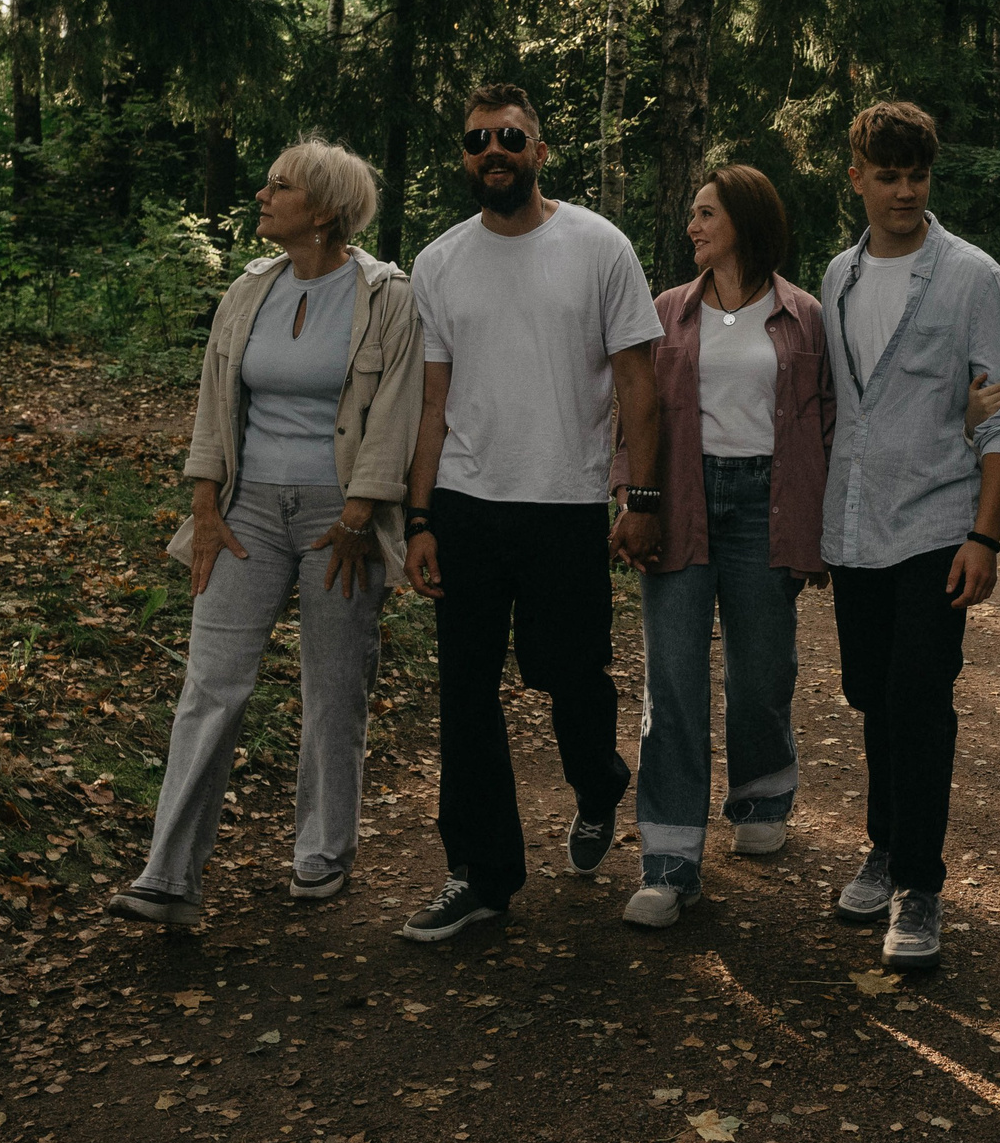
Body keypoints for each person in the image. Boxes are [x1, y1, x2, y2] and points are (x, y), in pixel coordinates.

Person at [110, 139, 418, 926]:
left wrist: (362, 511)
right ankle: (169, 875)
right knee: (211, 682)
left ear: (324, 210)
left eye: (280, 186)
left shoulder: (386, 295)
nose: (262, 194)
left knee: (335, 686)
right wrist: (204, 503)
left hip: (339, 518)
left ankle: (323, 854)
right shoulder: (249, 289)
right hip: (245, 510)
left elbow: (397, 412)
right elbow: (215, 400)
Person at [397, 84, 665, 942]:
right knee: (466, 691)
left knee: (568, 672)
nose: (493, 150)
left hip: (564, 504)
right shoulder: (439, 261)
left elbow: (639, 385)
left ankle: (598, 781)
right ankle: (481, 873)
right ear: (465, 155)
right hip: (466, 505)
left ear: (540, 151)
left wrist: (642, 496)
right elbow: (432, 401)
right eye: (478, 139)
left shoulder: (599, 246)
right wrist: (419, 518)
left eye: (510, 137)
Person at [819, 100, 1000, 969]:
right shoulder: (838, 277)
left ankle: (919, 884)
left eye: (918, 175)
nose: (905, 191)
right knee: (873, 694)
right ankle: (883, 844)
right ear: (858, 179)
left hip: (940, 523)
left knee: (919, 696)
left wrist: (985, 536)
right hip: (856, 524)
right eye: (889, 176)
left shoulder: (974, 277)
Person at [615, 166, 835, 928]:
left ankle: (762, 791)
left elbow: (827, 422)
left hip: (767, 503)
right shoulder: (667, 311)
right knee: (673, 679)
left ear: (744, 218)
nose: (693, 226)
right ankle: (669, 860)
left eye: (706, 212)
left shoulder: (804, 315)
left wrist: (821, 524)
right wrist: (633, 497)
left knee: (763, 669)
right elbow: (634, 411)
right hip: (681, 498)